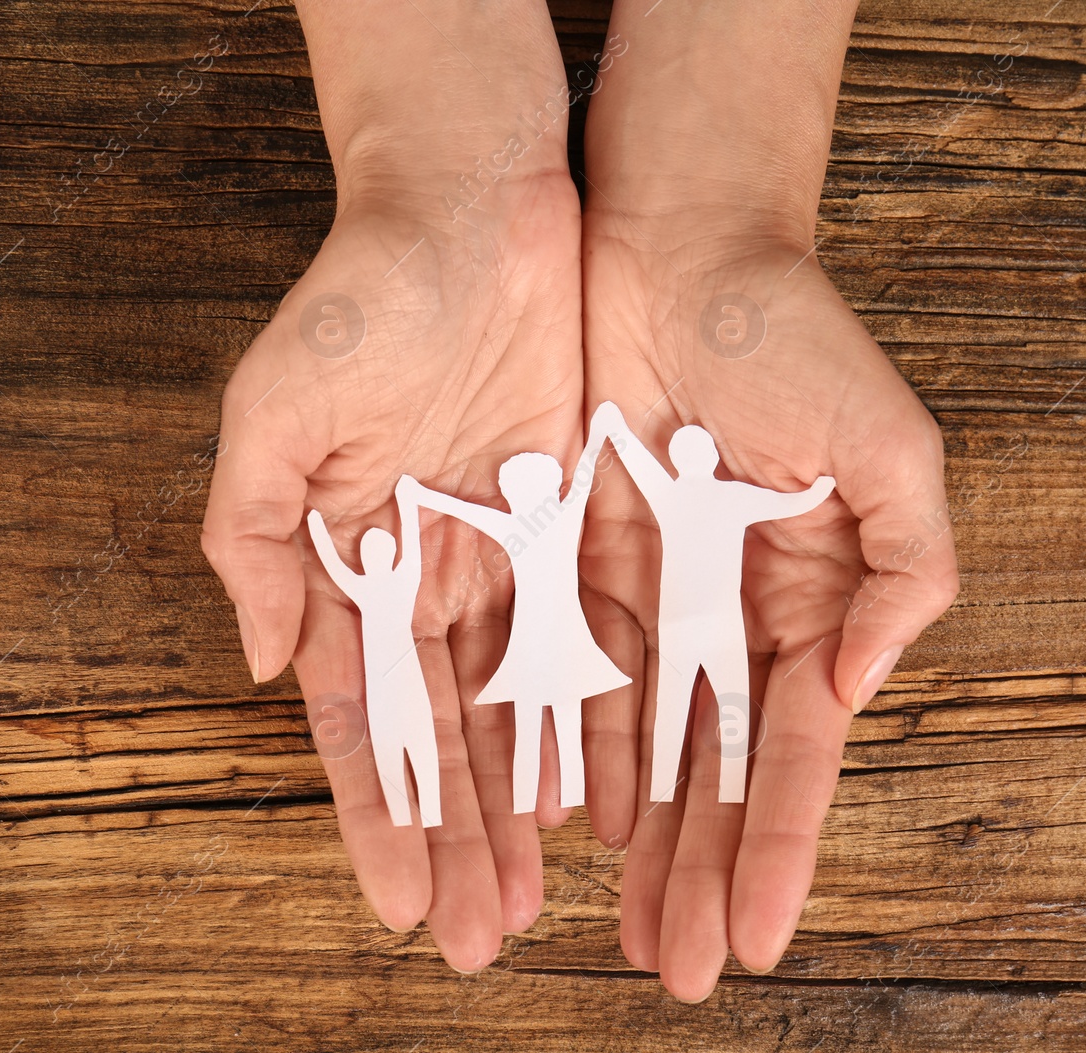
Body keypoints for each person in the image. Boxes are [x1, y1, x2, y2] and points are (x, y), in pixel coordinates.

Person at [200, 0, 959, 997]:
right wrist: (438, 170)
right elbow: (597, 470)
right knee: (666, 701)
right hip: (646, 618)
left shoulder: (687, 505)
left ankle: (717, 770)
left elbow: (672, 482)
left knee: (719, 705)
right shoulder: (551, 508)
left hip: (701, 624)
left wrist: (723, 196)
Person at [591, 402, 835, 806]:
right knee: (733, 701)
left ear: (675, 460)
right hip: (721, 623)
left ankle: (663, 788)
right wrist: (821, 490)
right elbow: (789, 504)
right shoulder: (733, 496)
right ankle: (732, 787)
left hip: (677, 623)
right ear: (714, 457)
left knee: (672, 702)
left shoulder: (668, 493)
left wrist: (616, 427)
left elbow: (637, 461)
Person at [397, 410, 624, 816]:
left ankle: (540, 791)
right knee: (550, 720)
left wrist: (420, 495)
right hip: (545, 640)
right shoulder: (538, 520)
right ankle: (539, 792)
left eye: (516, 488)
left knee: (541, 721)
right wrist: (598, 433)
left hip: (549, 639)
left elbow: (462, 509)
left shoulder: (530, 522)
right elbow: (584, 476)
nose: (516, 497)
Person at [305, 499, 441, 829]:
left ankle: (418, 812)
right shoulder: (401, 580)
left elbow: (332, 562)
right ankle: (423, 812)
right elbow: (411, 547)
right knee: (412, 740)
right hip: (397, 677)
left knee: (396, 743)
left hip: (387, 679)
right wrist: (407, 506)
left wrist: (315, 523)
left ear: (367, 560)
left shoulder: (365, 586)